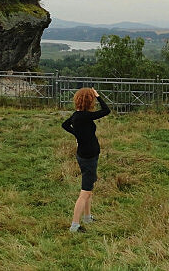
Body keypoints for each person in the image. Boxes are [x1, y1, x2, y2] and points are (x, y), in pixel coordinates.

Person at [61, 87, 112, 232]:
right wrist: (98, 96)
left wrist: (77, 135)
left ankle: (87, 217)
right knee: (85, 192)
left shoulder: (77, 115)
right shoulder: (84, 116)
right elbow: (106, 110)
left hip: (85, 155)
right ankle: (74, 225)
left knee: (89, 189)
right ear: (90, 101)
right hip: (88, 157)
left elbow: (65, 125)